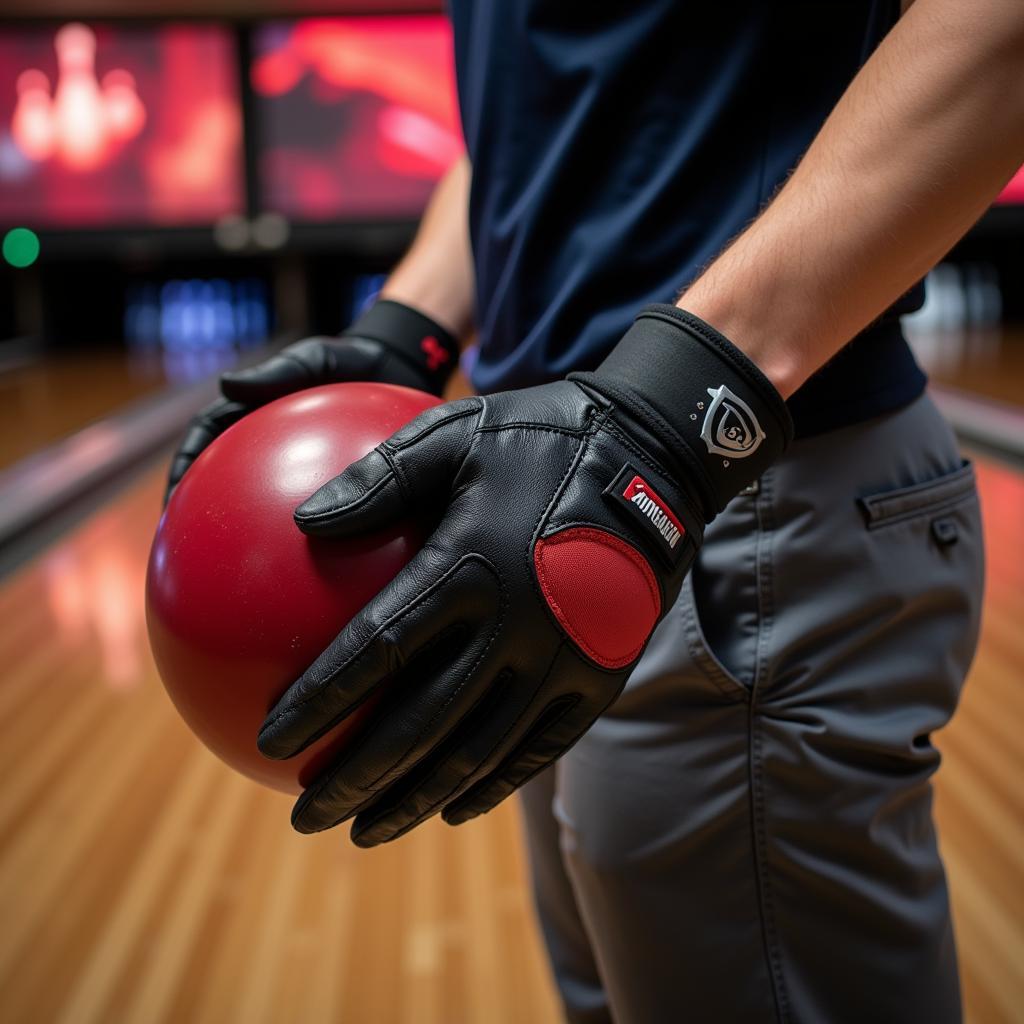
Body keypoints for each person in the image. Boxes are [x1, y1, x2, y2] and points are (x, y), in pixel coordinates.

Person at [168, 1, 1023, 1020]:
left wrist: (670, 411)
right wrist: (410, 330)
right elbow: (548, 123)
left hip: (731, 495)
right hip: (544, 491)